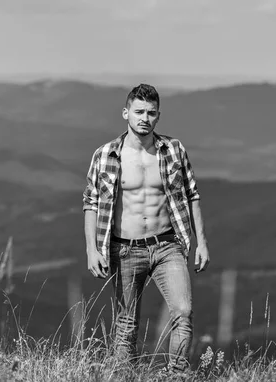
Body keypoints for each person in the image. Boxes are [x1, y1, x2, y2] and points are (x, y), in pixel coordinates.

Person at [82, 83, 210, 371]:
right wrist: (92, 250)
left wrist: (201, 242)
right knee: (126, 324)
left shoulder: (173, 150)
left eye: (151, 113)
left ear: (158, 116)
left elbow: (192, 195)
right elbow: (90, 203)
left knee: (183, 312)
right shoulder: (105, 155)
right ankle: (123, 376)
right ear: (125, 113)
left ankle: (177, 375)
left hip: (168, 245)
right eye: (139, 111)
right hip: (124, 248)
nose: (144, 118)